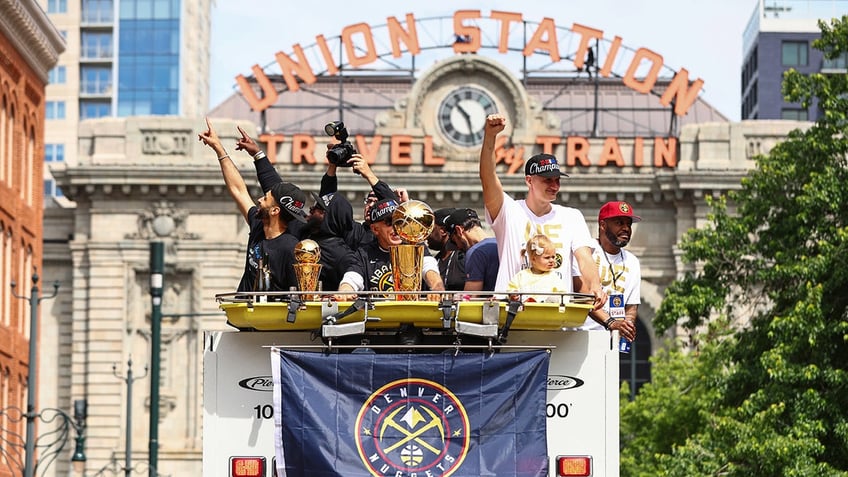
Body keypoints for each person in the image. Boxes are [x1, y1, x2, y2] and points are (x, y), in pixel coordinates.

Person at [478, 113, 606, 310]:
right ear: (529, 180)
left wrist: (595, 285)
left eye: (557, 180)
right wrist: (490, 137)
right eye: (547, 180)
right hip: (512, 316)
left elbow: (585, 258)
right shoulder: (509, 211)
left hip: (556, 316)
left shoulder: (572, 217)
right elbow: (488, 178)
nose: (554, 185)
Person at [198, 118, 307, 293]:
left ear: (275, 210)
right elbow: (238, 189)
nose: (258, 200)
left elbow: (300, 296)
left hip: (270, 319)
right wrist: (219, 148)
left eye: (265, 198)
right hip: (245, 317)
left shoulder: (290, 248)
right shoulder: (258, 226)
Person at [335, 198, 445, 301]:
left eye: (400, 221)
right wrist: (345, 291)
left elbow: (429, 267)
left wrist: (437, 286)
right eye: (389, 222)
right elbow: (353, 277)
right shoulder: (364, 254)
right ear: (375, 229)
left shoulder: (414, 244)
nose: (396, 227)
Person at [574, 201, 640, 342]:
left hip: (611, 340)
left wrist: (625, 329)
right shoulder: (586, 250)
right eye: (619, 223)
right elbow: (582, 294)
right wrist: (611, 323)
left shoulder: (632, 261)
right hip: (579, 336)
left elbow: (631, 307)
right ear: (603, 225)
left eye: (628, 224)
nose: (626, 228)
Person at [444, 208, 499, 293]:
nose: (458, 248)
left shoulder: (475, 252)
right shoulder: (500, 244)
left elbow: (470, 297)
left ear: (459, 230)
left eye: (454, 241)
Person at [506, 234, 571, 302]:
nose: (552, 260)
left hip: (545, 311)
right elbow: (511, 289)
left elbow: (563, 296)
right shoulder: (521, 275)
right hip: (525, 311)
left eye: (553, 257)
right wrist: (513, 295)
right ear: (533, 259)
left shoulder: (553, 277)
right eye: (547, 257)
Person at [428, 207, 466, 291]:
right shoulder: (433, 262)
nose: (427, 235)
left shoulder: (465, 258)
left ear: (443, 231)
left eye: (430, 229)